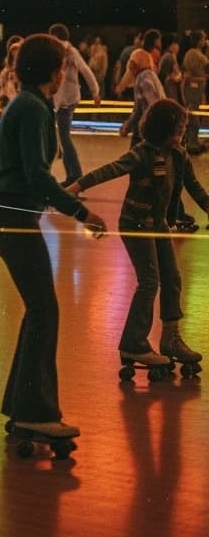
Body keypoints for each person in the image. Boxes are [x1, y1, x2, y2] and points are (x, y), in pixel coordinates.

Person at [0, 33, 107, 442]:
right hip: (12, 216)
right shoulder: (33, 108)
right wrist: (82, 212)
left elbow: (30, 174)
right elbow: (36, 175)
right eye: (62, 65)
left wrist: (59, 198)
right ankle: (34, 412)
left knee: (40, 309)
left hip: (7, 213)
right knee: (44, 310)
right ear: (53, 71)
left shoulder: (28, 104)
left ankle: (24, 407)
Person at [67, 99, 205, 378]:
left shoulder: (179, 156)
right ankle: (134, 343)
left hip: (159, 225)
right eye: (178, 130)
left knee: (172, 277)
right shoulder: (142, 153)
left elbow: (196, 190)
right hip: (136, 224)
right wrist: (77, 186)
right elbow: (111, 169)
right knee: (150, 280)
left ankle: (170, 338)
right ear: (163, 130)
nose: (181, 135)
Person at [48, 22, 101, 186]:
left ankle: (75, 175)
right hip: (63, 99)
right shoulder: (64, 51)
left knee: (64, 137)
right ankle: (71, 172)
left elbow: (85, 70)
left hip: (66, 100)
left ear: (56, 36)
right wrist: (95, 92)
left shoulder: (68, 51)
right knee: (62, 137)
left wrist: (95, 91)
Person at [180, 29, 208, 155]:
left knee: (193, 113)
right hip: (193, 87)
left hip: (196, 87)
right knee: (193, 114)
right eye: (203, 39)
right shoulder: (195, 55)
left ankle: (191, 141)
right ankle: (191, 143)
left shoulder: (190, 53)